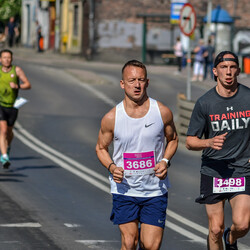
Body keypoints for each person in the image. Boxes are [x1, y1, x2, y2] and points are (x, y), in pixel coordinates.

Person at [96, 60, 178, 250]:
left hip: (155, 190)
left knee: (150, 245)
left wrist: (165, 161)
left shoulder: (162, 112)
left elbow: (173, 139)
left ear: (147, 82)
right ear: (122, 84)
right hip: (124, 190)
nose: (137, 85)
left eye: (141, 80)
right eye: (131, 80)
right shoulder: (112, 117)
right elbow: (101, 148)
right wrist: (111, 167)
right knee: (129, 241)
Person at [186, 51, 250, 250]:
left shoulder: (248, 97)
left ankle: (231, 238)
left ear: (238, 70)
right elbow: (189, 141)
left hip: (242, 168)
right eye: (223, 68)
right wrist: (209, 142)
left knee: (243, 224)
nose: (228, 72)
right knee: (214, 229)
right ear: (215, 71)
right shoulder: (205, 103)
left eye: (232, 67)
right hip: (214, 171)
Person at [0, 49, 31, 168]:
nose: (6, 60)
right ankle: (4, 156)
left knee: (9, 132)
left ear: (11, 59)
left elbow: (28, 84)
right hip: (0, 105)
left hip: (13, 106)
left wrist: (17, 86)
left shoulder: (16, 70)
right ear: (0, 59)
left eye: (8, 57)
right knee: (2, 131)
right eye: (4, 57)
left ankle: (7, 148)